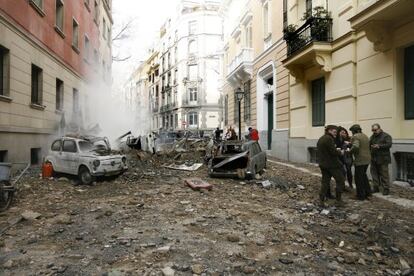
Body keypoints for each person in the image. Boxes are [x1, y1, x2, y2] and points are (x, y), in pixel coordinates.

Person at [317, 125, 346, 207]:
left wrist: (335, 150)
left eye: (336, 132)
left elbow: (325, 151)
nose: (336, 134)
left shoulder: (322, 138)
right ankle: (338, 200)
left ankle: (321, 200)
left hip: (323, 164)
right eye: (334, 132)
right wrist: (340, 152)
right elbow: (333, 152)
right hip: (332, 165)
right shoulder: (329, 139)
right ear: (329, 131)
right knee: (340, 180)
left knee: (325, 182)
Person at [349, 124, 372, 200]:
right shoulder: (365, 136)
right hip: (367, 159)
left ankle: (360, 195)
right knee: (363, 176)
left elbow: (356, 146)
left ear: (354, 131)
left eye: (352, 131)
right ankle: (368, 192)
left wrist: (349, 151)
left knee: (358, 178)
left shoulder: (355, 136)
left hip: (360, 159)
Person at [370, 123, 392, 195]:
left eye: (375, 130)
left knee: (384, 174)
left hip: (383, 158)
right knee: (374, 173)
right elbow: (369, 143)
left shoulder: (386, 136)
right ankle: (376, 187)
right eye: (372, 130)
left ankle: (386, 188)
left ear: (379, 129)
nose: (374, 131)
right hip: (374, 158)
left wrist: (379, 146)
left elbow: (389, 144)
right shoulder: (372, 136)